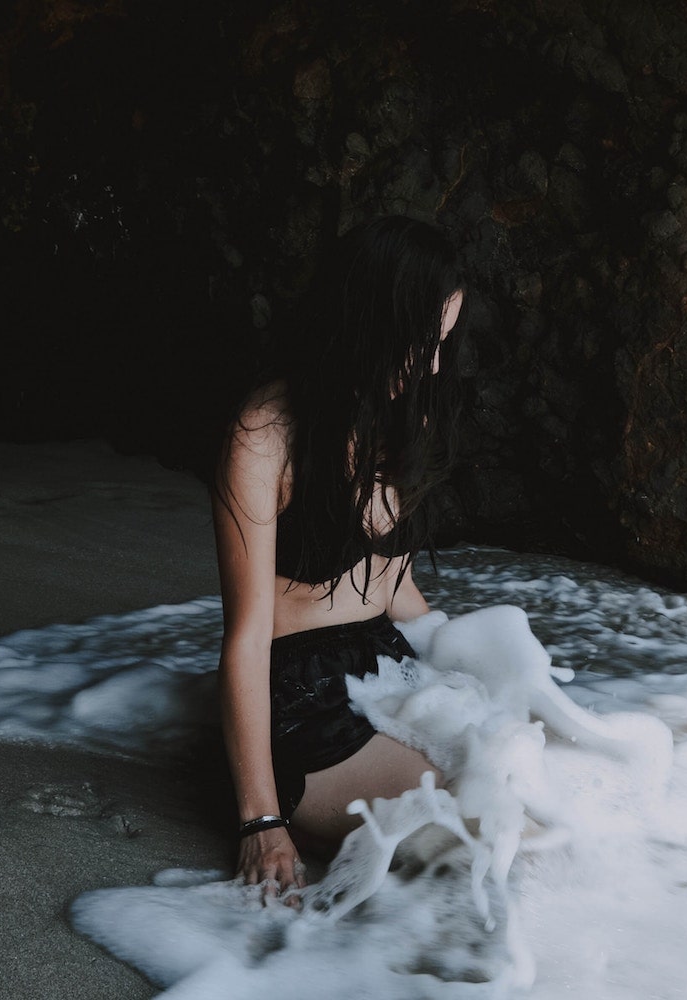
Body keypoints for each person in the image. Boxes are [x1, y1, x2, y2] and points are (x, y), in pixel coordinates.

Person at [212, 216, 466, 901]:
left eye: (441, 345)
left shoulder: (397, 413)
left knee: (546, 777)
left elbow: (394, 584)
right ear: (372, 323)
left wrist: (480, 669)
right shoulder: (265, 437)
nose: (433, 365)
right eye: (422, 343)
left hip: (385, 661)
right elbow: (243, 640)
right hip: (301, 700)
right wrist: (259, 820)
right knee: (480, 825)